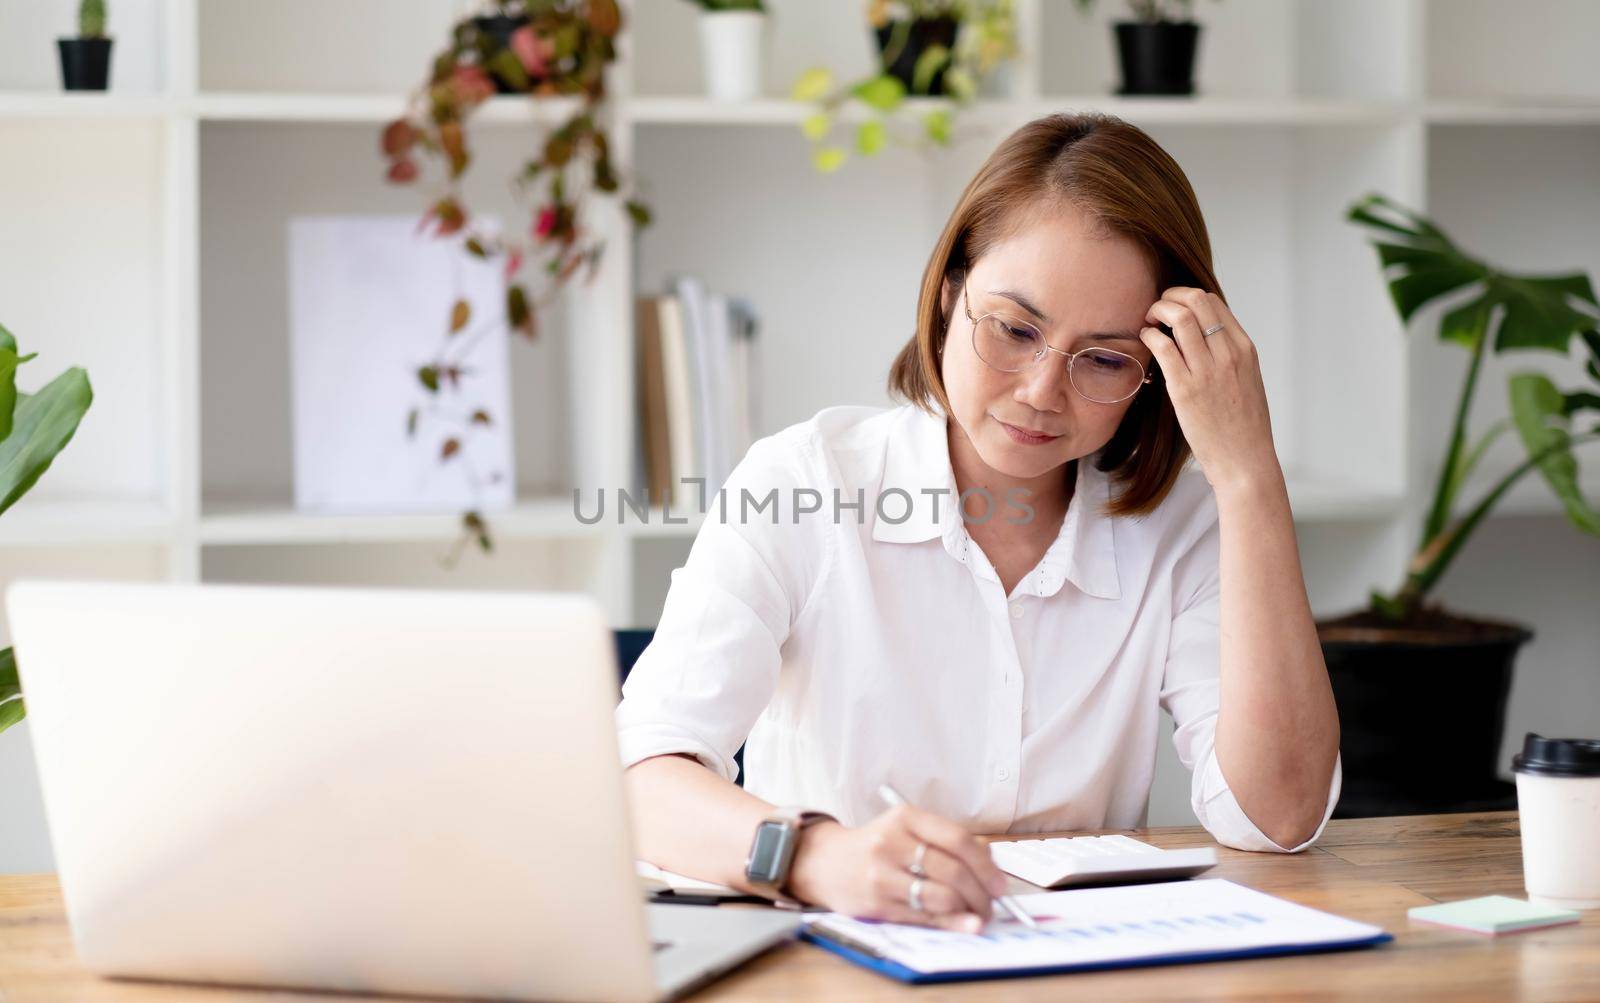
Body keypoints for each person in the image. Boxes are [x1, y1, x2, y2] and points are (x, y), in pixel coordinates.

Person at [617, 112, 1341, 933]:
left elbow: (1279, 815)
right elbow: (639, 780)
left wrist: (1249, 476)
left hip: (1083, 973)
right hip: (836, 964)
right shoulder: (807, 481)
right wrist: (818, 858)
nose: (1041, 390)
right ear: (952, 291)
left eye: (1103, 358)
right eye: (1014, 328)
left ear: (1157, 370)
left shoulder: (1181, 525)